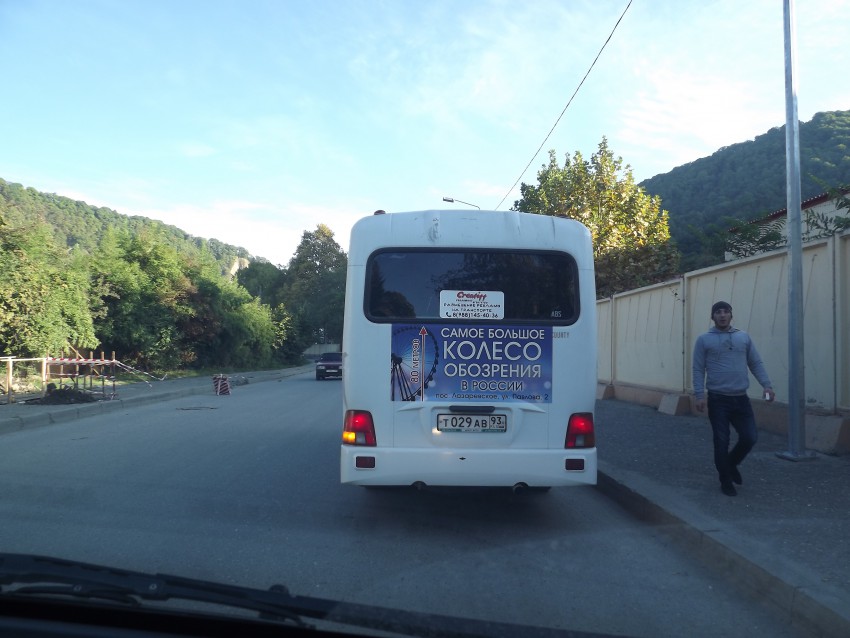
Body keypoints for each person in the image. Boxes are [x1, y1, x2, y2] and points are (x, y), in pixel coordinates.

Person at [692, 301, 775, 496]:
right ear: (713, 317)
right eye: (718, 312)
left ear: (731, 315)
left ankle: (730, 464)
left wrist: (767, 385)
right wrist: (699, 395)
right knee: (721, 441)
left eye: (726, 312)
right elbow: (698, 369)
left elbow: (755, 362)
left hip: (740, 399)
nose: (722, 315)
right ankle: (725, 480)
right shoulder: (704, 340)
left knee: (750, 437)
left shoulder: (743, 337)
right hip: (718, 399)